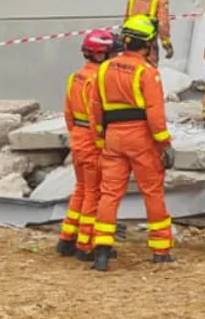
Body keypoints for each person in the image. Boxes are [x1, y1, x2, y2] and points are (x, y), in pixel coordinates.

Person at [89, 16, 175, 271]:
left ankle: (102, 249)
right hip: (141, 139)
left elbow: (96, 107)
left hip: (113, 137)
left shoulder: (104, 68)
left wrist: (100, 137)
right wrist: (165, 144)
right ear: (147, 44)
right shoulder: (147, 72)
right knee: (152, 192)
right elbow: (155, 113)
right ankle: (161, 250)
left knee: (109, 194)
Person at [56, 28, 119, 261]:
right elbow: (96, 114)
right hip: (92, 139)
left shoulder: (75, 77)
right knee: (94, 192)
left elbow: (68, 112)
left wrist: (75, 135)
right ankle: (86, 245)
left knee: (81, 189)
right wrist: (101, 140)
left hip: (78, 138)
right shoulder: (97, 79)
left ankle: (66, 238)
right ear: (101, 54)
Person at [124, 0, 176, 67]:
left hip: (128, 41)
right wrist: (166, 44)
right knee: (148, 71)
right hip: (147, 44)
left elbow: (126, 18)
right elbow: (163, 24)